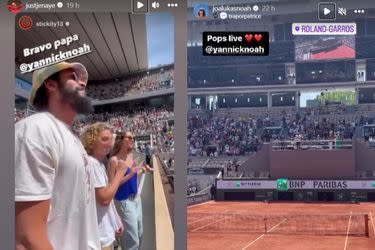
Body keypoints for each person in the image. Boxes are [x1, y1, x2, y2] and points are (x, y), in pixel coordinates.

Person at [15, 61, 100, 250]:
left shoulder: (72, 138)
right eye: (72, 77)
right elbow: (27, 239)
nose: (82, 84)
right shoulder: (35, 129)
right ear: (50, 84)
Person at [81, 123, 133, 250]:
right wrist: (120, 173)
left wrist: (115, 219)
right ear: (91, 141)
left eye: (110, 140)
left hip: (103, 232)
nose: (109, 144)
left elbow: (107, 195)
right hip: (100, 237)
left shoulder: (98, 164)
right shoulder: (92, 164)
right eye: (104, 139)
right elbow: (104, 198)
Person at [109, 131, 152, 250]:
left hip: (136, 199)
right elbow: (112, 186)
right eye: (129, 137)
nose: (132, 139)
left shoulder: (130, 157)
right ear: (121, 140)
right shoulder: (114, 160)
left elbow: (134, 174)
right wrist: (129, 175)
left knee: (139, 233)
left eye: (133, 137)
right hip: (124, 202)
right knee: (132, 240)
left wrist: (143, 169)